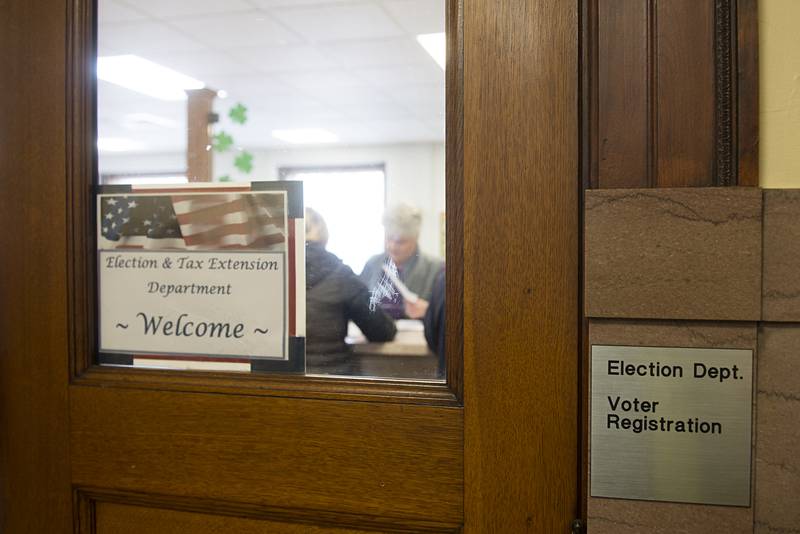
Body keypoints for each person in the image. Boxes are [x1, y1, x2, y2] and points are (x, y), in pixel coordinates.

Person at [305, 207, 396, 375]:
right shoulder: (341, 275)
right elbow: (382, 331)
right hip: (333, 381)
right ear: (324, 237)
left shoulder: (269, 273)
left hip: (275, 385)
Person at [360, 204, 443, 319]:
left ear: (416, 238)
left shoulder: (436, 268)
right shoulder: (373, 264)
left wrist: (429, 311)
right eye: (389, 238)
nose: (392, 247)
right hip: (376, 335)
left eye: (400, 242)